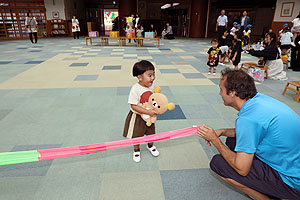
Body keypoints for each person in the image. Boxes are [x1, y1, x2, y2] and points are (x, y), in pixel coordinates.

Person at [197, 68, 300, 200]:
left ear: (233, 93)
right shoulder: (259, 100)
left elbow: (242, 169)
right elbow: (255, 130)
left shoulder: (248, 119)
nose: (220, 93)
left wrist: (215, 141)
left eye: (221, 90)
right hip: (293, 163)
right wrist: (222, 132)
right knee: (231, 141)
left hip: (293, 182)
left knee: (218, 163)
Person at [123, 60, 160, 162]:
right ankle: (136, 150)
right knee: (137, 135)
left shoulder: (151, 86)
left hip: (150, 116)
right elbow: (133, 106)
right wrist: (147, 112)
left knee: (151, 133)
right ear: (139, 77)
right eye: (149, 75)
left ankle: (150, 145)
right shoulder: (135, 89)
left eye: (153, 74)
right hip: (138, 116)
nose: (153, 78)